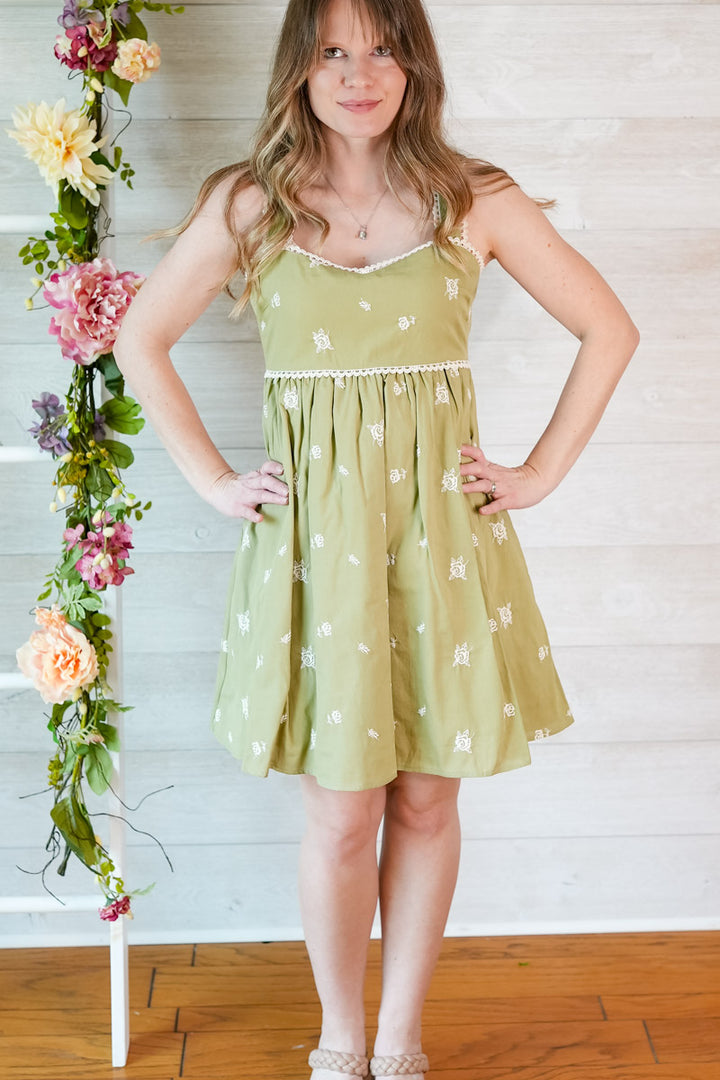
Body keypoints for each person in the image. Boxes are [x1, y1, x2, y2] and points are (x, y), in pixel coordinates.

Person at [114, 0, 640, 1076]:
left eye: (384, 49)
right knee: (341, 804)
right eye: (334, 52)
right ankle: (339, 1037)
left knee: (428, 792)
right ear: (300, 71)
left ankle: (399, 1040)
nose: (361, 73)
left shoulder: (470, 199)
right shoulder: (251, 204)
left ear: (415, 65)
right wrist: (215, 481)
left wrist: (536, 474)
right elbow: (139, 340)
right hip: (315, 556)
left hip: (444, 542)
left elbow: (608, 328)